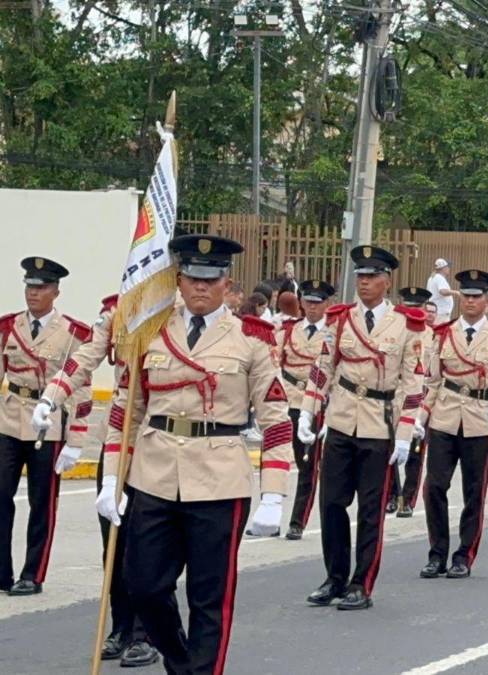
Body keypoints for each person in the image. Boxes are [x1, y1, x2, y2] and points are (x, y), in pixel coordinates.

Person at [96, 235, 294, 674]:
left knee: (210, 597)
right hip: (154, 474)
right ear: (178, 281)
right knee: (143, 585)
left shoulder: (252, 339)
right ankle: (183, 661)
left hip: (220, 478)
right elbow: (126, 413)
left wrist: (275, 493)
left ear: (227, 283)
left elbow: (276, 418)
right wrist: (112, 477)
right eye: (191, 279)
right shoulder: (149, 332)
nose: (200, 288)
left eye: (211, 279)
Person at [299, 244, 427, 611]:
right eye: (360, 276)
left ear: (387, 281)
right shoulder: (339, 319)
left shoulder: (406, 325)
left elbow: (412, 383)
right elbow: (323, 368)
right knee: (333, 504)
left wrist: (404, 434)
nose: (365, 282)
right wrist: (309, 411)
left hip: (378, 424)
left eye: (372, 276)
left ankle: (361, 582)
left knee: (371, 510)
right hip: (340, 420)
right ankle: (334, 577)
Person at [34, 293, 160, 667]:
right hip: (118, 435)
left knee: (147, 542)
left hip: (159, 436)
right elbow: (84, 357)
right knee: (114, 541)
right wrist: (51, 397)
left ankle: (145, 632)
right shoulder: (116, 315)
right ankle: (121, 626)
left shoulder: (175, 316)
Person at [0, 257, 92, 597]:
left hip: (48, 423)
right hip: (9, 419)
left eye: (40, 287)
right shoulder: (9, 327)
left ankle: (32, 573)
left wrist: (76, 440)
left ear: (56, 291)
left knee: (43, 502)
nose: (33, 293)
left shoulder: (73, 334)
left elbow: (81, 389)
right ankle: (1, 572)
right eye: (29, 286)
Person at [416, 269, 488, 579]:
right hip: (445, 417)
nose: (471, 301)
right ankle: (437, 553)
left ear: (487, 301)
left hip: (481, 419)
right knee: (434, 486)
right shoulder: (443, 334)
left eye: (477, 296)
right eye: (467, 296)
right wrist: (420, 419)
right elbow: (432, 382)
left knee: (474, 492)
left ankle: (464, 554)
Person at [278, 280, 335, 541]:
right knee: (278, 460)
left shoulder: (333, 333)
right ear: (301, 303)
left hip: (316, 405)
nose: (312, 307)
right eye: (308, 301)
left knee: (307, 465)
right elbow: (273, 363)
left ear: (327, 304)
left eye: (318, 302)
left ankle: (297, 520)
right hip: (288, 401)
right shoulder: (288, 331)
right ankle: (270, 514)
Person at [391, 286, 435, 519]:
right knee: (388, 447)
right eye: (408, 307)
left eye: (417, 307)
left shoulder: (432, 335)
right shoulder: (392, 329)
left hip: (419, 396)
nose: (412, 312)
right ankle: (390, 493)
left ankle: (407, 499)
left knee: (415, 451)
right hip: (392, 394)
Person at [427, 258, 458, 323]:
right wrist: (456, 292)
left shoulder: (432, 278)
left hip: (436, 312)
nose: (449, 269)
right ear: (443, 268)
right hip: (441, 313)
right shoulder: (439, 278)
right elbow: (443, 291)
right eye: (448, 267)